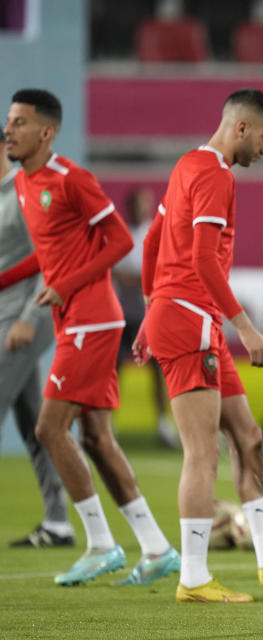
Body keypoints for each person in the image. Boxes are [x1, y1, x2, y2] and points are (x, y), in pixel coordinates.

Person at [136, 88, 263, 604]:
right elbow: (202, 260)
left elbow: (155, 239)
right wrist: (244, 325)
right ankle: (194, 577)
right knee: (203, 455)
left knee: (247, 437)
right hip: (190, 322)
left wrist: (149, 310)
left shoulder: (189, 165)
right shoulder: (215, 174)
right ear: (241, 128)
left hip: (180, 317)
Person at [2, 88, 180, 586]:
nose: (8, 130)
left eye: (18, 122)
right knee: (98, 440)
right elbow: (49, 253)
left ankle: (101, 544)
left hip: (93, 319)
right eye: (8, 122)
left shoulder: (72, 179)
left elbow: (121, 240)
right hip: (70, 317)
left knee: (48, 430)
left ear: (46, 131)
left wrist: (66, 285)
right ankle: (156, 547)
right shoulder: (22, 182)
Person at [0, 131, 74, 549]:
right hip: (4, 320)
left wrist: (30, 317)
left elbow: (50, 257)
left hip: (22, 319)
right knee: (38, 426)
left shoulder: (23, 193)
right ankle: (58, 522)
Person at [113, 186, 177, 448]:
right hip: (127, 315)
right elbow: (122, 277)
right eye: (140, 203)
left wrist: (144, 279)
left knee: (159, 372)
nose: (144, 207)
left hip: (152, 316)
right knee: (115, 370)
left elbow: (164, 273)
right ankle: (109, 421)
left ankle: (163, 426)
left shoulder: (158, 233)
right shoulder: (123, 235)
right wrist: (147, 279)